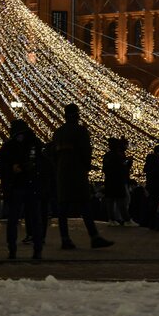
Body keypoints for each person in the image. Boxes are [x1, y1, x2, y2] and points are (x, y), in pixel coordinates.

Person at [51, 104, 113, 250]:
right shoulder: (80, 131)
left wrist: (58, 168)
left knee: (63, 207)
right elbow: (86, 151)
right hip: (77, 171)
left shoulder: (58, 132)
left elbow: (53, 153)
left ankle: (65, 239)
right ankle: (94, 237)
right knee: (84, 205)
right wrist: (85, 166)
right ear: (76, 116)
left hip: (62, 172)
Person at [0, 119, 47, 259]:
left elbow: (1, 164)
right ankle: (35, 248)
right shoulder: (33, 144)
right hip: (26, 185)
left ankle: (15, 248)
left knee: (17, 220)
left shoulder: (13, 145)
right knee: (32, 219)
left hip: (20, 186)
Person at [102, 137, 132, 225]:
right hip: (118, 181)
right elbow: (122, 167)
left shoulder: (108, 155)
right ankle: (126, 220)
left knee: (111, 201)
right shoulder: (118, 155)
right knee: (121, 201)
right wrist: (128, 162)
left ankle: (112, 219)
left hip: (109, 180)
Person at [142, 145, 159, 229]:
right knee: (154, 205)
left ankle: (148, 222)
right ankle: (152, 223)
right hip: (156, 186)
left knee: (151, 203)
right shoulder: (158, 161)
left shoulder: (149, 160)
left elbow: (145, 170)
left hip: (150, 185)